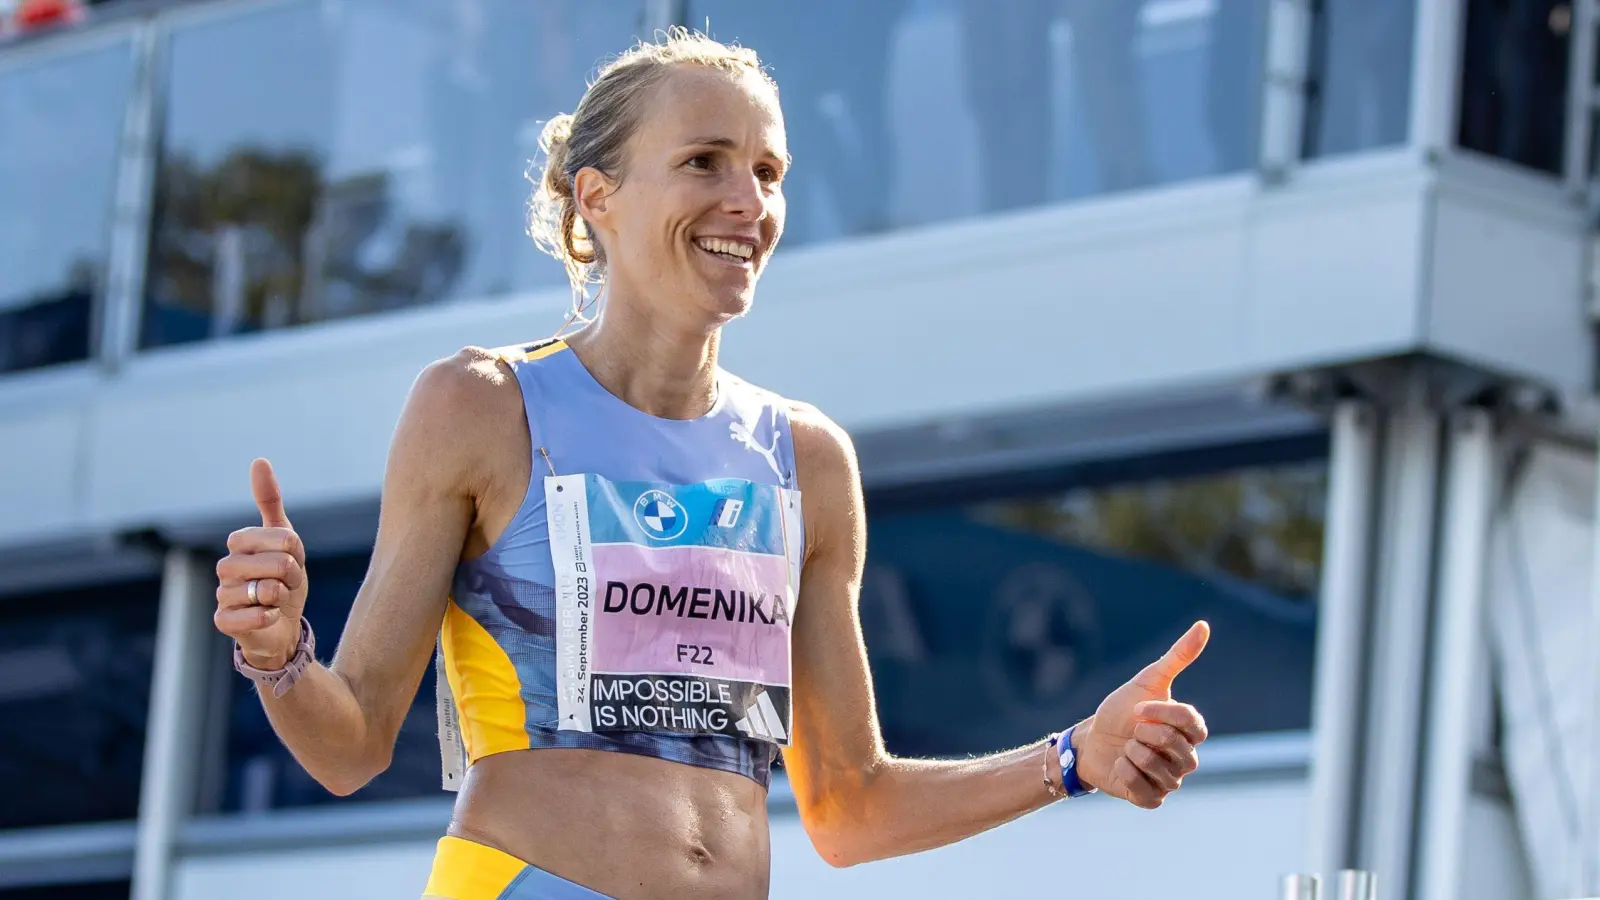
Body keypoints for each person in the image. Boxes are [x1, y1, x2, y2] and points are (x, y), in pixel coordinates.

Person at [213, 28, 1213, 900]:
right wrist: (277, 653)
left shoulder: (808, 460)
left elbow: (848, 806)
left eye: (768, 173)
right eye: (705, 161)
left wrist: (1073, 757)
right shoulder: (479, 404)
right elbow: (350, 747)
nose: (748, 201)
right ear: (595, 196)